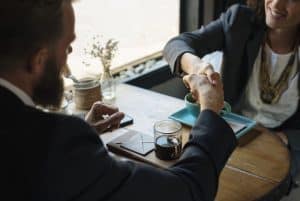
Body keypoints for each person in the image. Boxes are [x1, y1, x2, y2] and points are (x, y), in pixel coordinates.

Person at [1, 1, 237, 201]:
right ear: (38, 59)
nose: (66, 66)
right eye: (68, 48)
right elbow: (185, 192)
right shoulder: (56, 144)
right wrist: (209, 111)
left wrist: (84, 129)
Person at [163, 0, 300, 179]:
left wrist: (285, 137)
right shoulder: (240, 21)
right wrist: (197, 67)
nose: (276, 4)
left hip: (282, 144)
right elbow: (176, 45)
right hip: (232, 132)